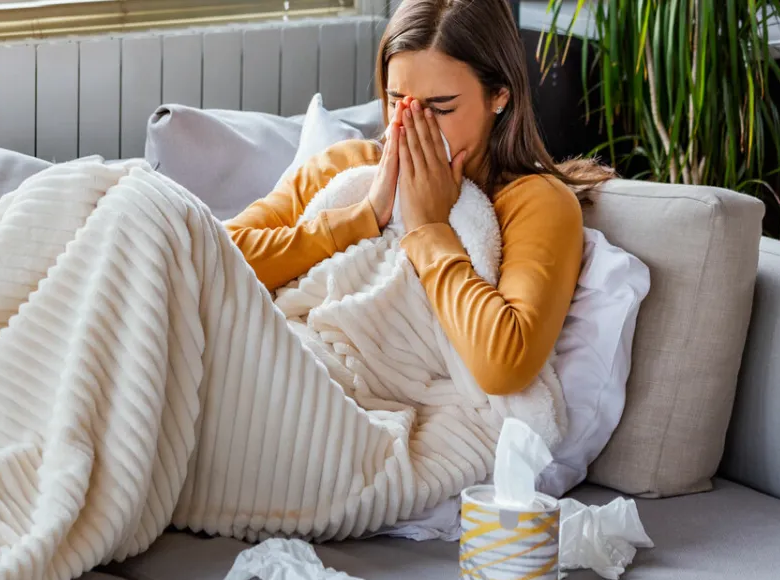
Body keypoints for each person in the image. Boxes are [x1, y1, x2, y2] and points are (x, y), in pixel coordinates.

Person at [227, 0, 610, 397]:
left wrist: (430, 228)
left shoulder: (536, 203)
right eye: (397, 103)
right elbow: (213, 254)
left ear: (499, 96)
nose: (411, 125)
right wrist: (364, 216)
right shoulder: (344, 166)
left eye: (440, 108)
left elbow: (504, 367)